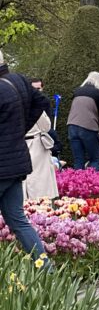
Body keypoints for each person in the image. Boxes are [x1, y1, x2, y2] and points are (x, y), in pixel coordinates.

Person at [0, 49, 51, 258]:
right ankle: (47, 271)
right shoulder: (20, 80)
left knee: (18, 220)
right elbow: (43, 102)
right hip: (17, 163)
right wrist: (21, 129)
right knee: (18, 221)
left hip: (2, 166)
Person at [67, 72, 99, 170]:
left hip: (71, 126)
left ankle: (77, 183)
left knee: (78, 160)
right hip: (88, 127)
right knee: (94, 159)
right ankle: (91, 183)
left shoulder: (77, 91)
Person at [24, 108, 59, 201]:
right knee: (38, 179)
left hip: (17, 144)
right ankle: (39, 206)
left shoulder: (10, 102)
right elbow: (46, 126)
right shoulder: (33, 104)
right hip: (36, 145)